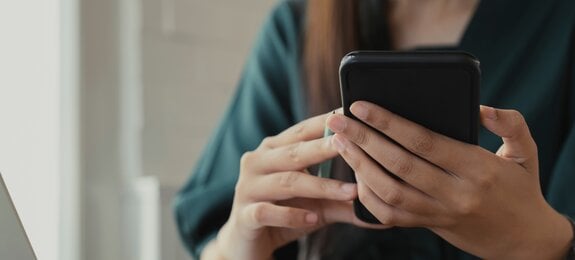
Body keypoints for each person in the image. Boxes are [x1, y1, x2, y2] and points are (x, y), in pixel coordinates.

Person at [174, 0, 575, 259]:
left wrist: (541, 244)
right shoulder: (297, 28)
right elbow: (218, 226)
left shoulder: (561, 23)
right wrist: (233, 249)